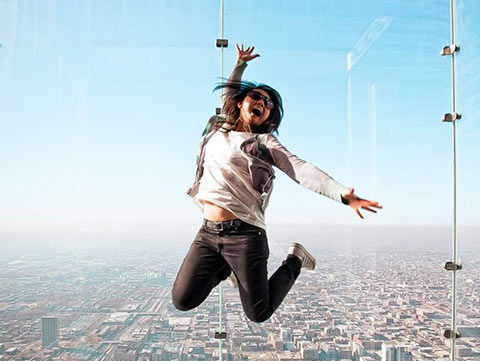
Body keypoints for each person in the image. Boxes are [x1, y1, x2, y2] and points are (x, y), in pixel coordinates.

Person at [172, 44, 382, 323]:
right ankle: (225, 268)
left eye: (269, 104)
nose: (262, 103)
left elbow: (300, 169)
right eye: (256, 97)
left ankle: (295, 259)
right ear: (240, 101)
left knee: (258, 313)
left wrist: (342, 195)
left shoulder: (261, 143)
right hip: (208, 233)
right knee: (182, 300)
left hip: (245, 235)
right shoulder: (217, 127)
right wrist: (240, 65)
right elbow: (228, 93)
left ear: (270, 117)